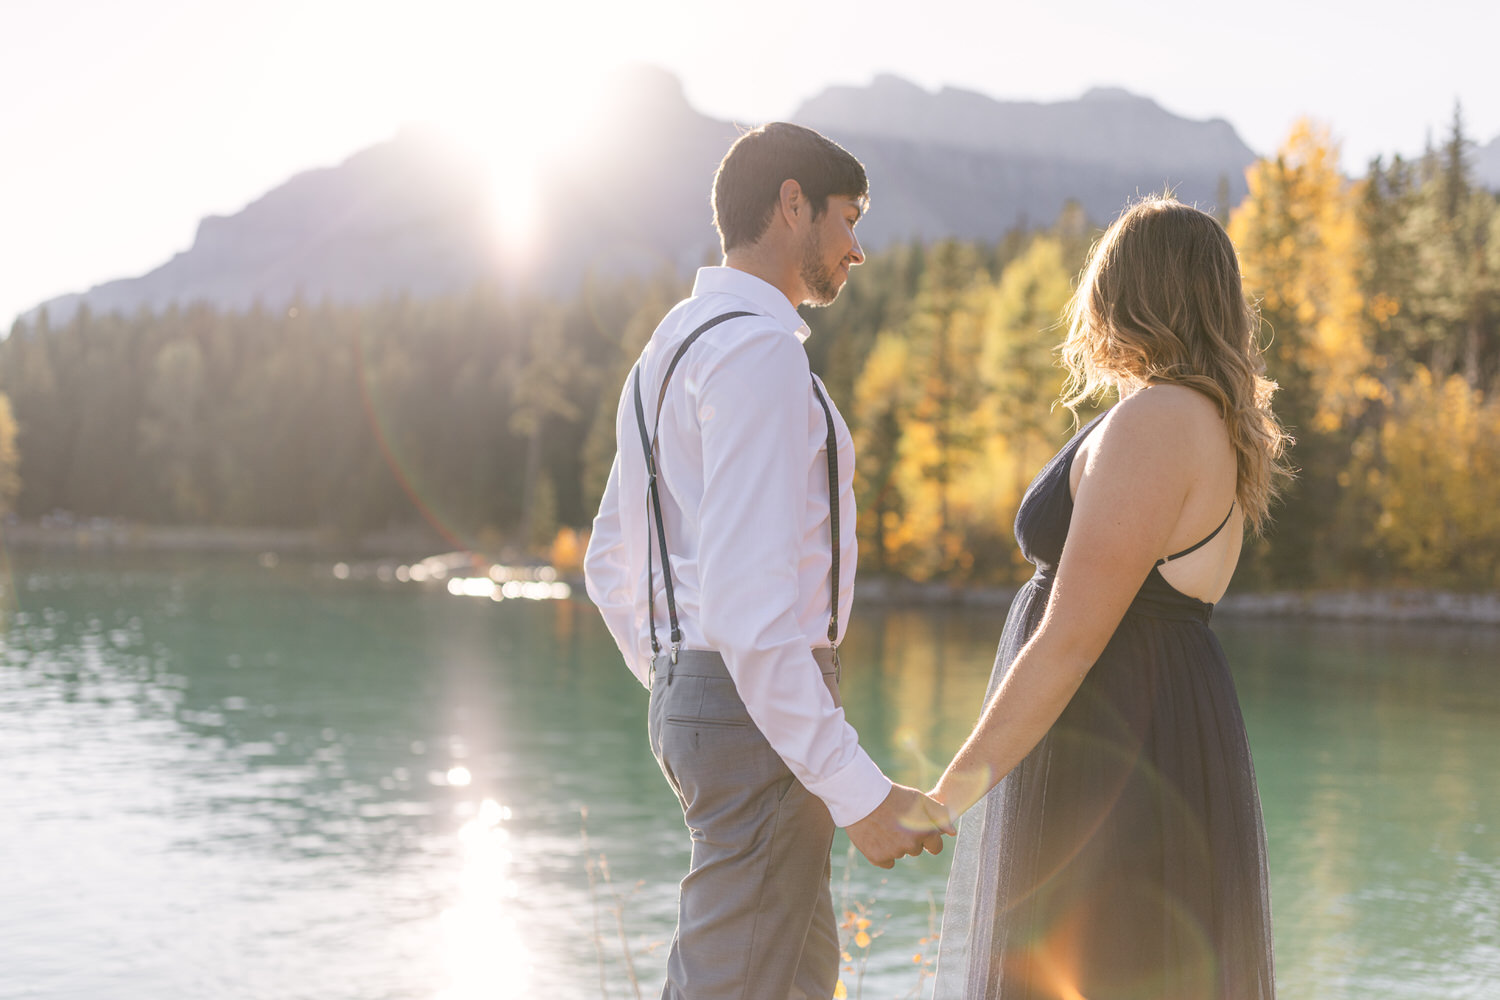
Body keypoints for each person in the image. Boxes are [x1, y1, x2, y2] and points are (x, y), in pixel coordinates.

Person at [584, 122, 953, 1000]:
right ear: (793, 204)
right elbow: (752, 614)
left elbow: (609, 561)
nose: (858, 250)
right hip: (755, 709)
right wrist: (856, 793)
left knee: (793, 978)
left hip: (724, 698)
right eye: (848, 218)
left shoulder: (669, 347)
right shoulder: (755, 353)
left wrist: (684, 678)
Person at [929, 197, 1290, 999]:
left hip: (1116, 755)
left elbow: (1069, 641)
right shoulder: (1199, 419)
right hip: (1146, 736)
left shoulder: (1158, 422)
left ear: (1123, 291)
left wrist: (944, 797)